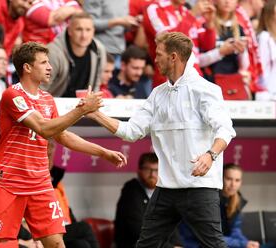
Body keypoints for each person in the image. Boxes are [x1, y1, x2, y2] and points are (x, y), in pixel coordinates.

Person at [86, 32, 236, 248]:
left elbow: (225, 129)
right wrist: (95, 115)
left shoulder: (206, 90)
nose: (154, 60)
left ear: (173, 57)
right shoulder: (157, 94)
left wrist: (210, 155)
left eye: (159, 54)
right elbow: (131, 131)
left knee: (214, 245)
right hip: (166, 190)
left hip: (200, 188)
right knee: (145, 245)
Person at [0, 41, 126, 248]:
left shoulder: (47, 99)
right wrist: (81, 110)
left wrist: (102, 152)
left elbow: (62, 135)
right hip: (9, 183)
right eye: (44, 62)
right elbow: (43, 128)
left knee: (56, 243)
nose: (50, 67)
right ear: (27, 67)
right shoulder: (12, 95)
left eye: (49, 62)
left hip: (40, 184)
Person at [179, 163, 260, 248]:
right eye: (229, 179)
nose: (233, 184)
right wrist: (243, 244)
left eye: (237, 180)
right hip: (193, 244)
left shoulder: (237, 201)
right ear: (220, 178)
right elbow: (210, 235)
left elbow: (235, 231)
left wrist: (247, 243)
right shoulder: (208, 200)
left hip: (218, 243)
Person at [142, 0, 216, 87]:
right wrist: (191, 15)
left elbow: (208, 46)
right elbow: (169, 42)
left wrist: (209, 23)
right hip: (170, 77)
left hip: (195, 75)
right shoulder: (154, 9)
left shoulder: (185, 11)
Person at [48, 139, 99, 248]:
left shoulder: (56, 181)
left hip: (64, 227)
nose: (50, 160)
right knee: (84, 228)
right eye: (48, 155)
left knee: (81, 245)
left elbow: (66, 208)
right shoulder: (34, 179)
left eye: (52, 155)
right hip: (49, 230)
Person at [42, 12, 106, 97]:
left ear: (93, 31)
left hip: (83, 105)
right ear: (69, 31)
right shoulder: (53, 53)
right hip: (54, 103)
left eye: (88, 30)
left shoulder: (99, 50)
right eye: (79, 29)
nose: (84, 35)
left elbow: (96, 85)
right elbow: (41, 88)